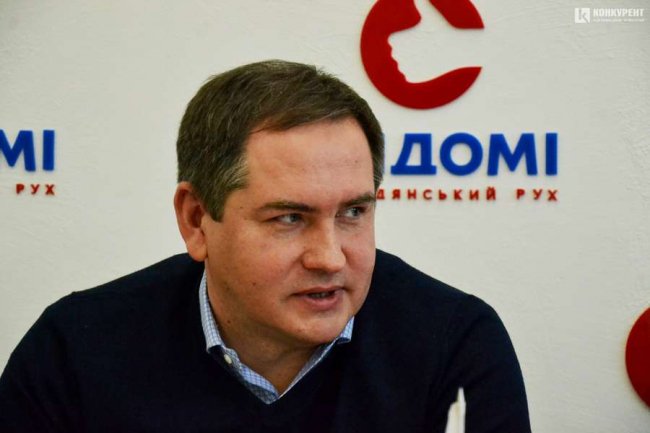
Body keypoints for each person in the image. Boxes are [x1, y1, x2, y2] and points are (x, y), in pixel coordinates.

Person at [0, 60, 530, 432]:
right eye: (289, 219)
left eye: (353, 213)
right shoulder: (75, 350)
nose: (330, 258)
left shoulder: (454, 345)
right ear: (196, 220)